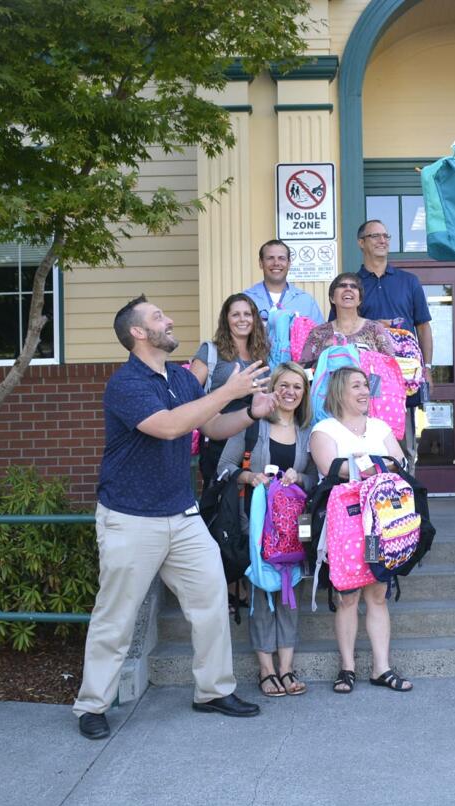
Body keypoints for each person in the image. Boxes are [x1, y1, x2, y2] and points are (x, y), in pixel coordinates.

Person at [74, 295, 275, 739]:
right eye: (158, 318)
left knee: (210, 602)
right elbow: (168, 426)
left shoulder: (182, 380)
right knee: (116, 616)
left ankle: (213, 691)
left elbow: (209, 427)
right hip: (130, 517)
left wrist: (247, 412)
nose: (169, 320)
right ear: (138, 334)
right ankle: (92, 705)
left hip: (181, 515)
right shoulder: (125, 384)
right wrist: (228, 391)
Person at [308, 366, 412, 694]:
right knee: (347, 595)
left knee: (378, 593)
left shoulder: (380, 426)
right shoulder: (323, 430)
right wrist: (379, 464)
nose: (365, 391)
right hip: (345, 526)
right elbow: (331, 469)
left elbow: (402, 463)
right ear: (339, 392)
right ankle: (347, 668)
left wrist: (359, 464)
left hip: (382, 525)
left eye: (366, 385)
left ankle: (382, 668)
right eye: (356, 386)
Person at [218, 362, 316, 697]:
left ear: (304, 394)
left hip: (295, 527)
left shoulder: (308, 432)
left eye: (297, 387)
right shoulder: (252, 426)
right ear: (273, 388)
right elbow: (224, 468)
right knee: (261, 593)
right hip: (258, 524)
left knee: (291, 594)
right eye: (284, 385)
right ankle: (266, 670)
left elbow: (318, 478)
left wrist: (300, 478)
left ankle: (287, 669)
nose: (290, 392)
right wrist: (252, 476)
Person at [352, 220, 433, 469]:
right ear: (361, 243)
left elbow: (423, 326)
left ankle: (407, 500)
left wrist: (427, 367)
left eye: (386, 235)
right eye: (375, 236)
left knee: (405, 444)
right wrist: (373, 325)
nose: (382, 240)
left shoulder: (409, 281)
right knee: (365, 441)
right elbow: (342, 328)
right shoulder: (351, 284)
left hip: (403, 376)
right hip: (365, 375)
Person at [190, 293, 270, 488]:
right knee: (222, 498)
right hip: (220, 436)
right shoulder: (211, 351)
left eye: (247, 314)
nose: (242, 319)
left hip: (254, 439)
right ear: (226, 319)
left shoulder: (262, 353)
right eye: (235, 315)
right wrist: (230, 391)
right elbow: (189, 393)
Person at [296, 272, 395, 367]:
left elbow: (391, 366)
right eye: (342, 285)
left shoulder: (375, 329)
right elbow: (304, 371)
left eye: (354, 286)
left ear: (360, 300)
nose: (348, 289)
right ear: (332, 298)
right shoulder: (318, 333)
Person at [244, 239, 324, 325]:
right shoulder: (247, 299)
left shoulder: (306, 301)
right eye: (270, 258)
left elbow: (321, 336)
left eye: (281, 258)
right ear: (261, 263)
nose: (276, 263)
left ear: (289, 263)